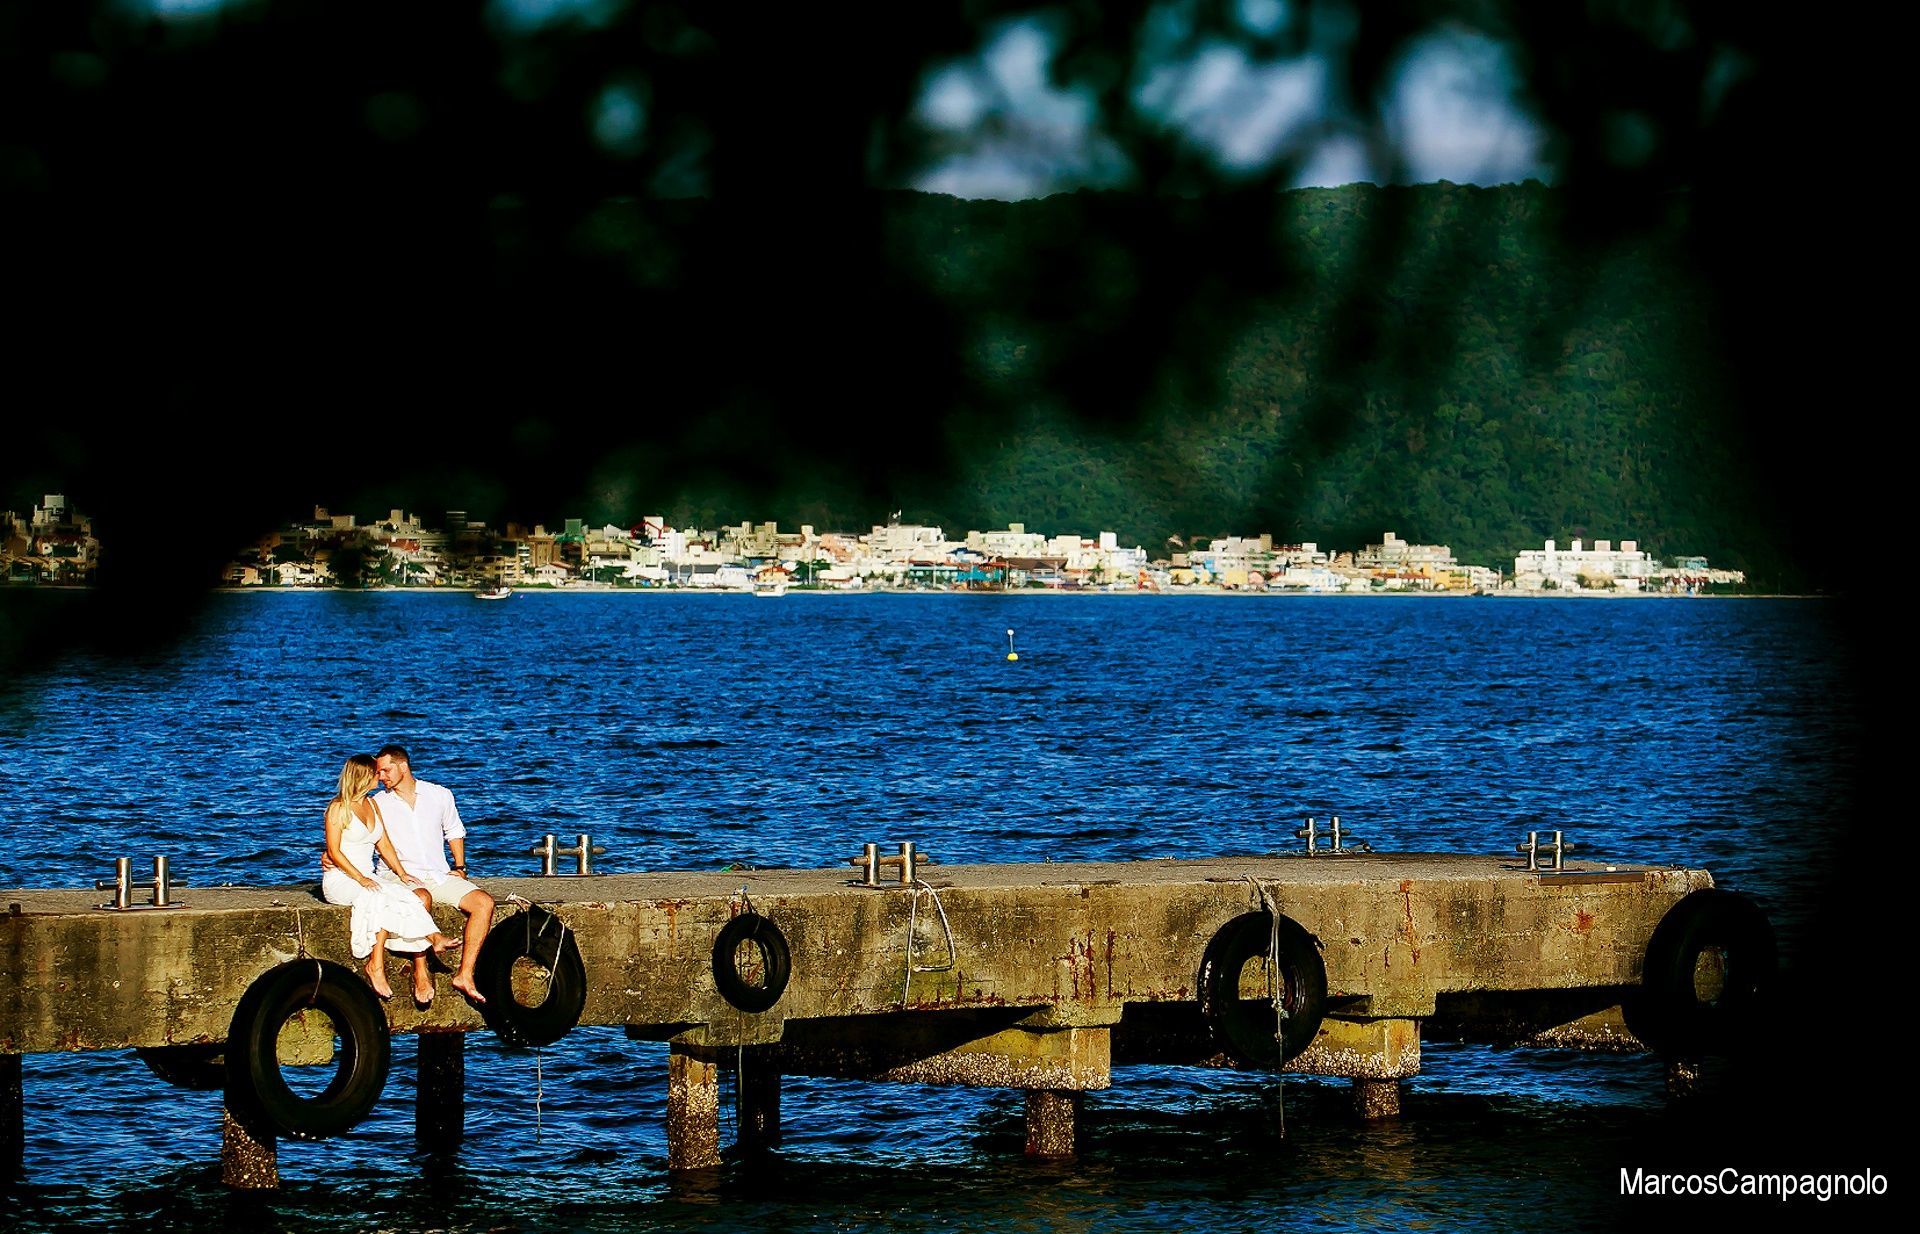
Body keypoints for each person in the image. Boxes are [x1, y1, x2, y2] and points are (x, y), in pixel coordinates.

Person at [320, 754, 458, 1001]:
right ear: (364, 776)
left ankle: (431, 941)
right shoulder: (338, 808)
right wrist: (360, 879)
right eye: (376, 773)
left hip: (368, 876)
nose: (380, 776)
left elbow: (383, 843)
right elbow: (334, 852)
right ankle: (376, 965)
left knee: (408, 895)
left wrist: (401, 873)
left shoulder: (372, 805)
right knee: (378, 898)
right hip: (341, 879)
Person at [372, 743, 493, 1004]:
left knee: (484, 902)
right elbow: (358, 835)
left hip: (438, 874)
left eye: (385, 770)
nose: (380, 777)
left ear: (402, 766)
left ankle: (465, 975)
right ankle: (420, 969)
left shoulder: (439, 795)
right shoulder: (377, 803)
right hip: (397, 875)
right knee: (421, 897)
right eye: (378, 772)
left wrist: (460, 867)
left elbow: (455, 831)